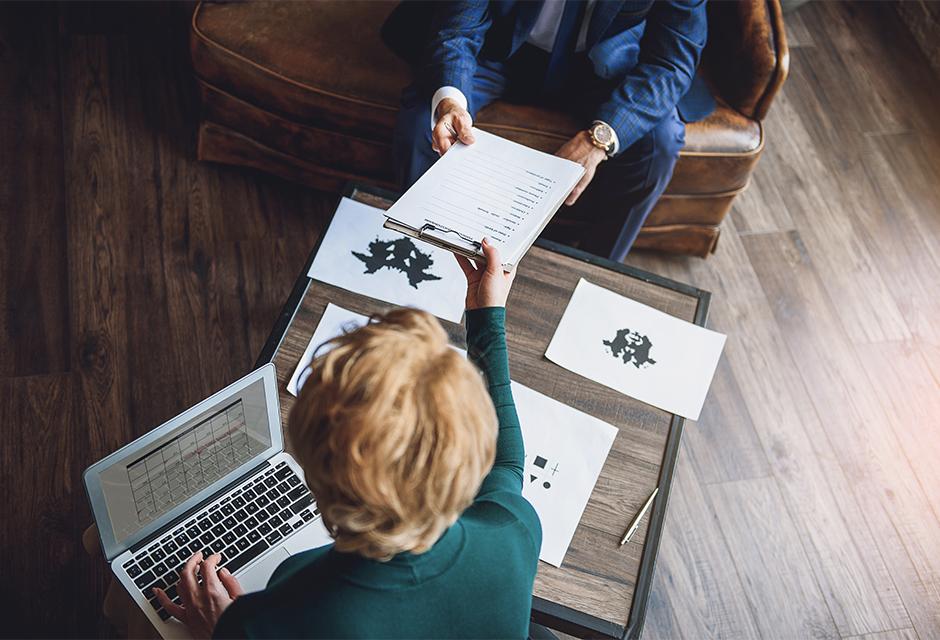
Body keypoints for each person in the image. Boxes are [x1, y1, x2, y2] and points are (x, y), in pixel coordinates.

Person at [153, 239, 542, 639]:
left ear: (317, 482)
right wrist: (486, 314)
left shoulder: (278, 613)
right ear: (470, 458)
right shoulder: (513, 532)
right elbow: (507, 463)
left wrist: (220, 628)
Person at [386, 0, 712, 262]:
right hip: (500, 44)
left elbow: (671, 63)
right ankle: (422, 259)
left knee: (662, 144)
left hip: (602, 65)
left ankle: (593, 271)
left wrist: (600, 138)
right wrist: (452, 102)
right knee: (422, 124)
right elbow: (459, 27)